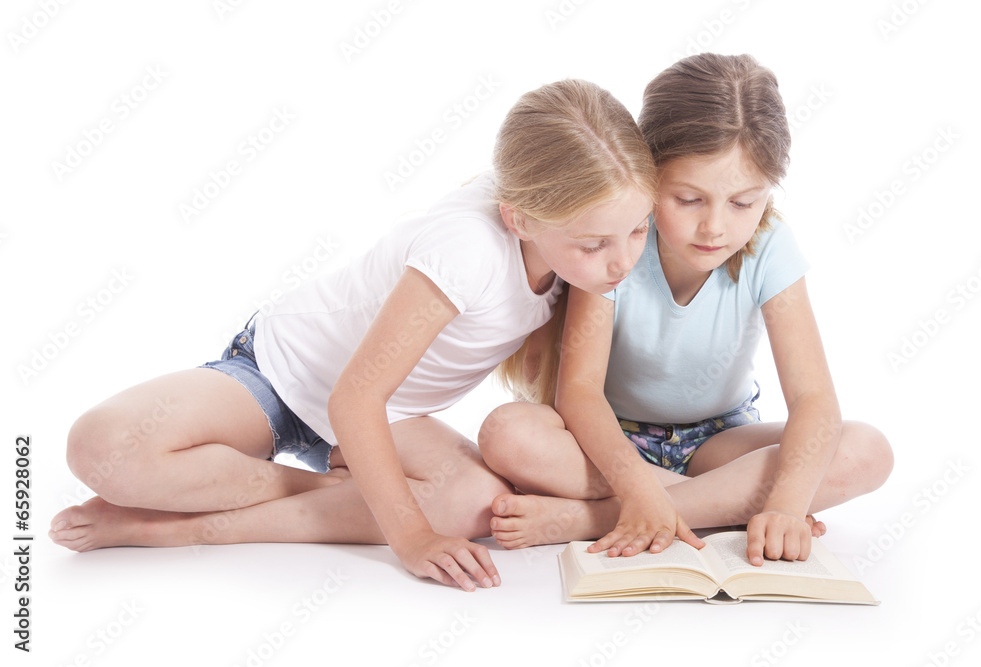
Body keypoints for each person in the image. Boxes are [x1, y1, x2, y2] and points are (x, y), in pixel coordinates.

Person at [48, 79, 659, 592]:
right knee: (102, 447)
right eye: (595, 244)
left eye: (639, 230)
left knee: (475, 502)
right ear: (518, 217)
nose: (624, 260)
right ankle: (332, 492)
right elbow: (353, 397)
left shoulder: (589, 252)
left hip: (391, 418)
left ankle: (176, 527)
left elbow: (575, 390)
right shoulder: (467, 252)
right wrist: (409, 534)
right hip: (283, 377)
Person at [479, 54, 894, 567]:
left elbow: (813, 399)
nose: (715, 228)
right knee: (508, 434)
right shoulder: (621, 242)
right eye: (688, 199)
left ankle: (595, 519)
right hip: (611, 443)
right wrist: (637, 485)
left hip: (721, 442)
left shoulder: (771, 247)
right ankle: (713, 504)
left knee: (866, 451)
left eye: (743, 203)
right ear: (647, 176)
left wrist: (786, 506)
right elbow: (580, 394)